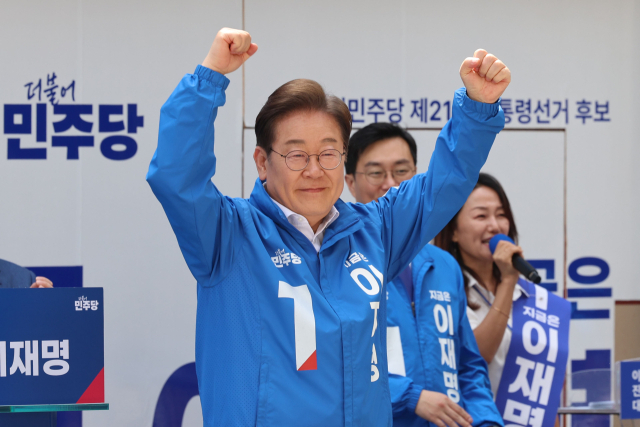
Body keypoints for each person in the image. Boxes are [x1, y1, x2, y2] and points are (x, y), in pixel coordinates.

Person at [147, 27, 510, 426]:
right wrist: (210, 76)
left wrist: (478, 108)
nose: (314, 170)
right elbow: (176, 175)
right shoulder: (227, 234)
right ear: (263, 162)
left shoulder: (375, 232)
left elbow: (445, 183)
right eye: (296, 155)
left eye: (328, 153)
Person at [345, 123, 502, 427]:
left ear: (416, 174)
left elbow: (469, 366)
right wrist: (410, 396)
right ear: (350, 182)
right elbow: (332, 366)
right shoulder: (336, 264)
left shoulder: (444, 265)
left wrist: (487, 421)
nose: (390, 184)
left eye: (401, 171)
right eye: (376, 173)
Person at [434, 173, 569, 427]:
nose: (495, 226)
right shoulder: (441, 290)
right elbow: (476, 355)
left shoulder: (532, 296)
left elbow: (544, 386)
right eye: (481, 216)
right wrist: (508, 281)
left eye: (501, 214)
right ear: (453, 231)